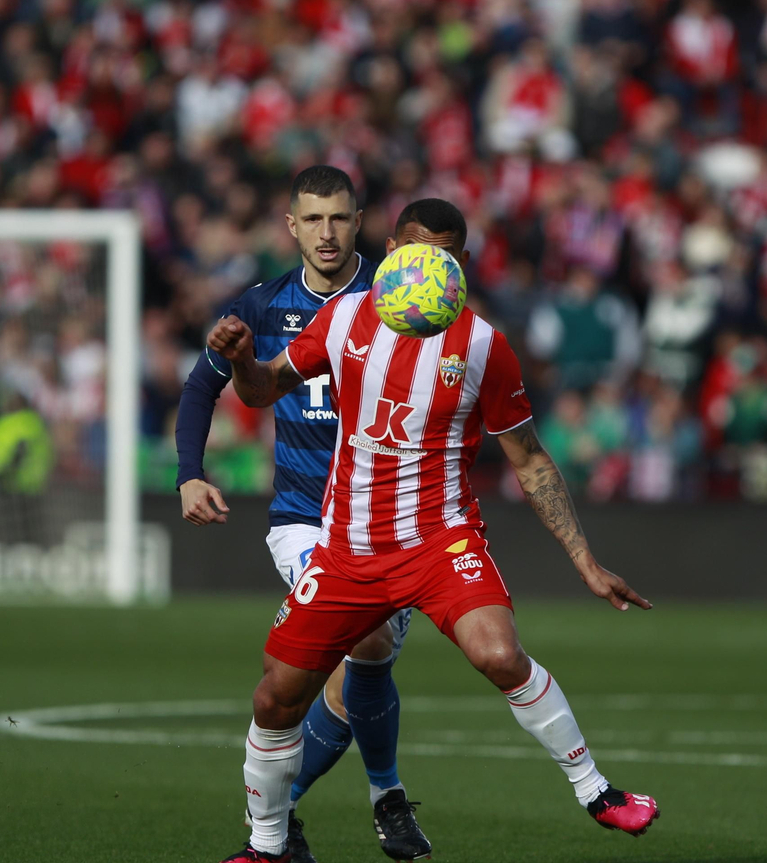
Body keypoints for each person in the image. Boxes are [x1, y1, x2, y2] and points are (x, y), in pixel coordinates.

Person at [207, 198, 659, 863]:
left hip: (439, 543)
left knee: (500, 655)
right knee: (276, 697)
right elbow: (261, 390)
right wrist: (244, 361)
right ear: (391, 252)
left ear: (462, 267)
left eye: (442, 258)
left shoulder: (482, 346)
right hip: (348, 548)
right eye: (415, 253)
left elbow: (530, 459)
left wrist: (584, 560)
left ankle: (595, 790)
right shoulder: (344, 318)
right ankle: (268, 846)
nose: (425, 269)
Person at [175, 166, 432, 863]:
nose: (326, 233)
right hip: (303, 520)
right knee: (368, 643)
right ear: (291, 226)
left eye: (340, 219)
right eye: (313, 219)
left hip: (386, 520)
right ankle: (380, 800)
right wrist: (190, 476)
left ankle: (296, 822)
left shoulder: (400, 299)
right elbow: (203, 388)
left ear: (359, 223)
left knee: (343, 673)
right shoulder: (260, 306)